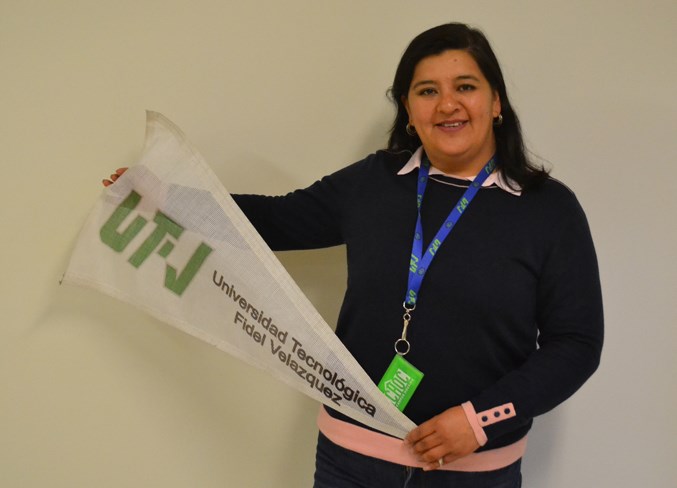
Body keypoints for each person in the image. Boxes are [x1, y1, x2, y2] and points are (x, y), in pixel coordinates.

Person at [104, 22, 603, 488]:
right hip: (350, 462)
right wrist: (166, 198)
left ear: (496, 102)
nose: (447, 104)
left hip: (474, 472)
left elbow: (576, 344)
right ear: (409, 111)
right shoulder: (374, 182)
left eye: (465, 87)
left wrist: (479, 420)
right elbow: (277, 220)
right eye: (427, 91)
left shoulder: (549, 210)